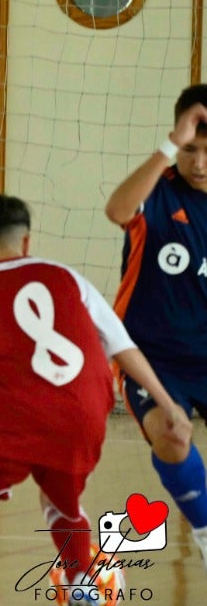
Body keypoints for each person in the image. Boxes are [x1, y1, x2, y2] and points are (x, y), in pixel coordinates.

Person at [0, 194, 192, 606]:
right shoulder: (68, 278)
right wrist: (167, 404)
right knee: (63, 503)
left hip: (17, 414)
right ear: (26, 242)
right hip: (84, 410)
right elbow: (123, 348)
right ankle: (84, 587)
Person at [102, 86, 207, 573]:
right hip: (155, 358)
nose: (200, 162)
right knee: (171, 435)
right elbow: (117, 211)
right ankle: (206, 533)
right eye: (191, 149)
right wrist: (169, 145)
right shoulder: (157, 191)